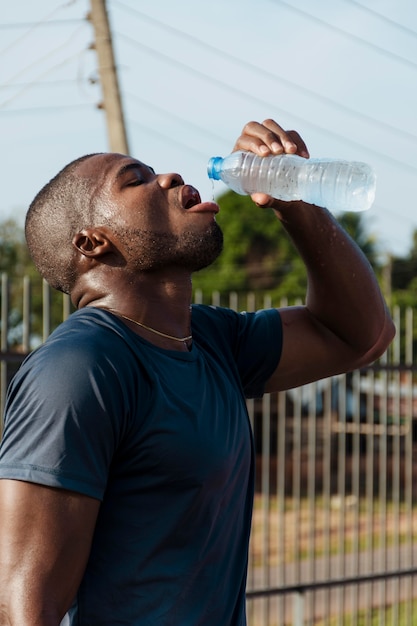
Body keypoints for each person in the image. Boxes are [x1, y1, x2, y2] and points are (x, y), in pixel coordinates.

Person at [0, 118, 394, 626]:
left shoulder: (212, 340)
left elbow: (362, 335)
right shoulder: (80, 368)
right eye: (135, 180)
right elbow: (24, 607)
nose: (167, 177)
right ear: (92, 242)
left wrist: (293, 196)